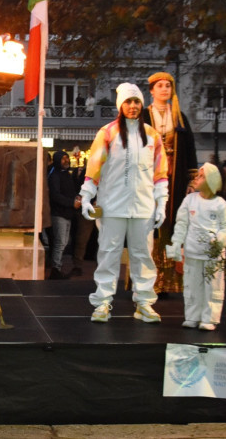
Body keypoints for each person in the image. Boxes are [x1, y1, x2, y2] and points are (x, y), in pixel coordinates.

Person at [81, 83, 169, 324]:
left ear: (142, 105)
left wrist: (161, 203)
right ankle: (102, 303)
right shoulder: (107, 133)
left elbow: (160, 173)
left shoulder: (152, 135)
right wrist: (87, 195)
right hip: (112, 205)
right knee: (109, 254)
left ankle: (143, 303)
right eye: (128, 102)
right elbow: (93, 168)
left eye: (136, 102)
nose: (133, 106)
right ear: (121, 105)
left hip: (143, 206)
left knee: (143, 255)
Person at [142, 71, 198, 297]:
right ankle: (147, 280)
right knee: (149, 227)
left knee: (173, 224)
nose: (165, 89)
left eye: (168, 86)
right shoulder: (144, 117)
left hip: (174, 181)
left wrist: (192, 180)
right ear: (152, 91)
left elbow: (191, 150)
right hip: (149, 179)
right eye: (160, 86)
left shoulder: (179, 117)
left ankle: (168, 281)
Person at [166, 163, 226, 331]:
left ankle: (209, 318)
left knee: (213, 287)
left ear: (212, 180)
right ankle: (192, 316)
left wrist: (221, 237)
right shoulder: (189, 200)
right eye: (197, 175)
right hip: (192, 252)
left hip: (213, 255)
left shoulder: (220, 204)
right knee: (191, 286)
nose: (196, 179)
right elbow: (181, 223)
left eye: (201, 176)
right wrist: (177, 243)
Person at [47, 150, 80, 279]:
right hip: (59, 213)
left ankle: (57, 267)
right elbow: (55, 195)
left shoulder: (66, 175)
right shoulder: (55, 175)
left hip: (67, 213)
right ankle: (56, 269)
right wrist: (71, 202)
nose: (66, 160)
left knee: (63, 242)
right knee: (60, 242)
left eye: (67, 158)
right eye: (63, 159)